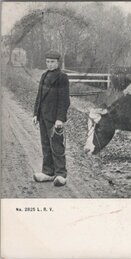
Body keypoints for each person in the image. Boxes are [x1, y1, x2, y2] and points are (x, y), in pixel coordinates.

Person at [32, 50, 70, 187]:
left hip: (54, 119)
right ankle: (48, 172)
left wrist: (60, 118)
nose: (49, 64)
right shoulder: (44, 75)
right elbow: (39, 96)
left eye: (52, 62)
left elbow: (64, 100)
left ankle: (60, 174)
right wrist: (35, 114)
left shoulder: (62, 77)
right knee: (45, 145)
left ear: (58, 62)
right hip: (43, 116)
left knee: (57, 146)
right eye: (47, 61)